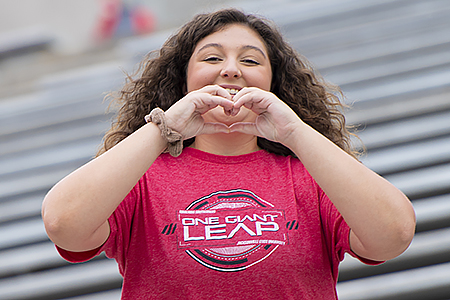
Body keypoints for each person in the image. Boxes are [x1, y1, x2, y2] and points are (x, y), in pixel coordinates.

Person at [42, 8, 416, 299]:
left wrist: (295, 133)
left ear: (274, 84)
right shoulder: (141, 175)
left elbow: (394, 234)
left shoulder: (311, 174)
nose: (232, 70)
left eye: (251, 61)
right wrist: (163, 129)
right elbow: (63, 224)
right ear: (182, 81)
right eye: (211, 59)